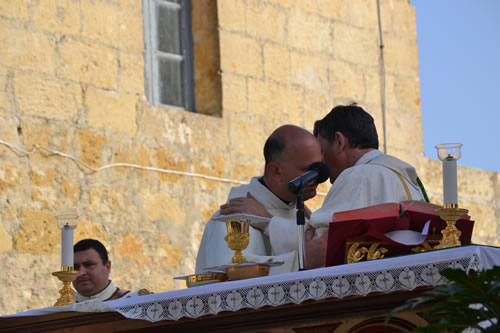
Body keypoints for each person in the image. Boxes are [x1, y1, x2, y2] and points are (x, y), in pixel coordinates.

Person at [221, 104, 427, 269]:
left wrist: (267, 221)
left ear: (339, 142)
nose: (321, 164)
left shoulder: (361, 176)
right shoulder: (401, 175)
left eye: (322, 150)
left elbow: (320, 247)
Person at [195, 125, 323, 274]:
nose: (318, 179)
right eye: (308, 171)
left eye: (320, 169)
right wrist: (301, 261)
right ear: (275, 172)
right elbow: (232, 274)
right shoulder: (234, 216)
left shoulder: (302, 213)